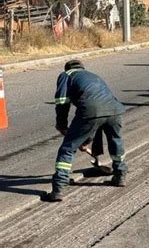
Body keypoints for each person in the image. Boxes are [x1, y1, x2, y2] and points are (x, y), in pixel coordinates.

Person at [42, 60, 128, 202]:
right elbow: (97, 121)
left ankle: (58, 188)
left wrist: (62, 124)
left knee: (68, 148)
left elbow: (62, 101)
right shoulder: (92, 75)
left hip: (90, 111)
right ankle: (120, 176)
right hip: (114, 110)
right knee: (115, 142)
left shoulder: (66, 75)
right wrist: (86, 140)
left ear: (68, 68)